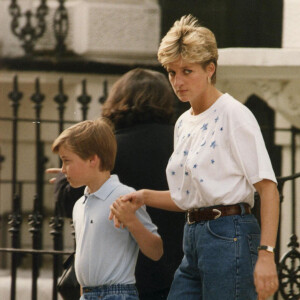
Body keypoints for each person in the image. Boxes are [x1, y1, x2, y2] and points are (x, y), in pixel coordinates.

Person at [109, 15, 280, 300]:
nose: (178, 81)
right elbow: (188, 197)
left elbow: (268, 189)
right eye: (172, 72)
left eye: (187, 71)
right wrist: (144, 196)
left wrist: (267, 254)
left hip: (231, 235)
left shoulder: (234, 114)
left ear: (210, 69)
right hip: (193, 239)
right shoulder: (183, 122)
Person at [47, 68, 185, 300]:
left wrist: (62, 179)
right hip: (175, 271)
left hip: (119, 277)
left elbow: (68, 201)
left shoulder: (108, 149)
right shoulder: (181, 143)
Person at [51, 118, 163, 300]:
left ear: (92, 159)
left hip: (117, 294)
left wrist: (132, 221)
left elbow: (156, 250)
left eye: (66, 161)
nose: (62, 170)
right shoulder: (79, 205)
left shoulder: (124, 197)